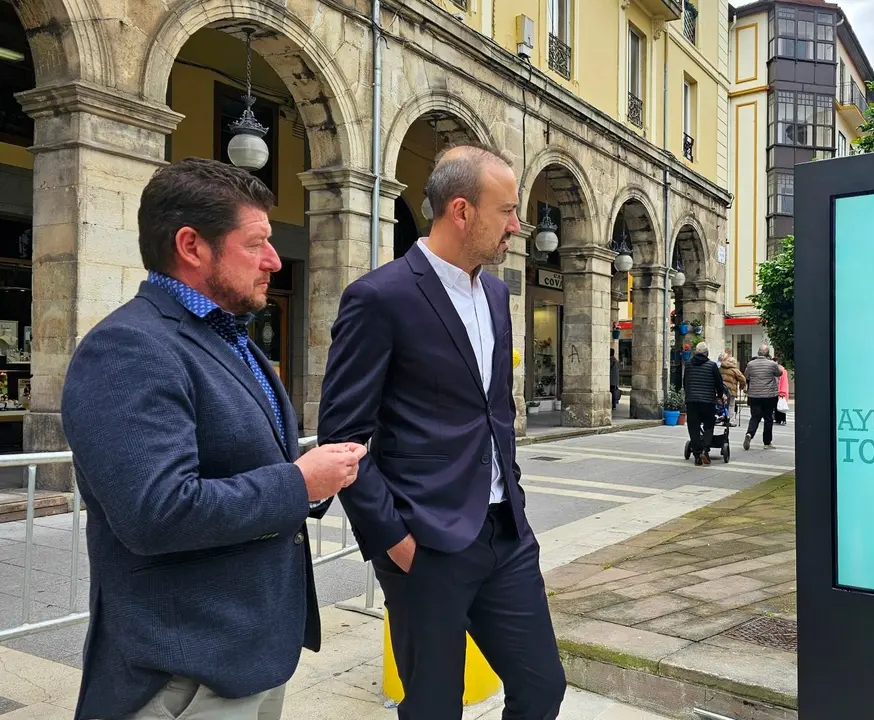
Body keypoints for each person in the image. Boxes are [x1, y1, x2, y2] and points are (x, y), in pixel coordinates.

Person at [60, 157, 366, 720]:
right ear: (192, 246)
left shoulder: (232, 339)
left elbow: (236, 463)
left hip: (247, 653)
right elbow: (158, 511)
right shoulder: (130, 348)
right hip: (180, 674)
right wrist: (299, 481)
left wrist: (313, 478)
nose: (275, 260)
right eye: (257, 243)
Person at [317, 143, 566, 720]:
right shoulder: (380, 298)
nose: (517, 226)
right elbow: (341, 435)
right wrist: (393, 540)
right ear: (461, 211)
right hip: (424, 545)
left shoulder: (500, 296)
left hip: (506, 537)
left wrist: (514, 499)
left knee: (542, 688)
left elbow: (493, 411)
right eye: (506, 211)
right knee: (432, 708)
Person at [683, 342, 729, 465]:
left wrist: (688, 396)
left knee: (693, 428)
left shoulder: (688, 365)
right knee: (708, 426)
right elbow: (719, 385)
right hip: (707, 402)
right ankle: (705, 450)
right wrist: (720, 396)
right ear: (706, 353)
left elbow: (685, 383)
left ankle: (697, 455)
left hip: (692, 401)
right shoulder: (712, 366)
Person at [743, 344, 784, 450]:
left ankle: (749, 434)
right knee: (768, 418)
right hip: (769, 396)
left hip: (754, 395)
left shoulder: (750, 364)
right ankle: (767, 442)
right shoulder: (772, 364)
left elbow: (746, 376)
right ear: (767, 353)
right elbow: (779, 373)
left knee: (755, 417)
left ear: (758, 353)